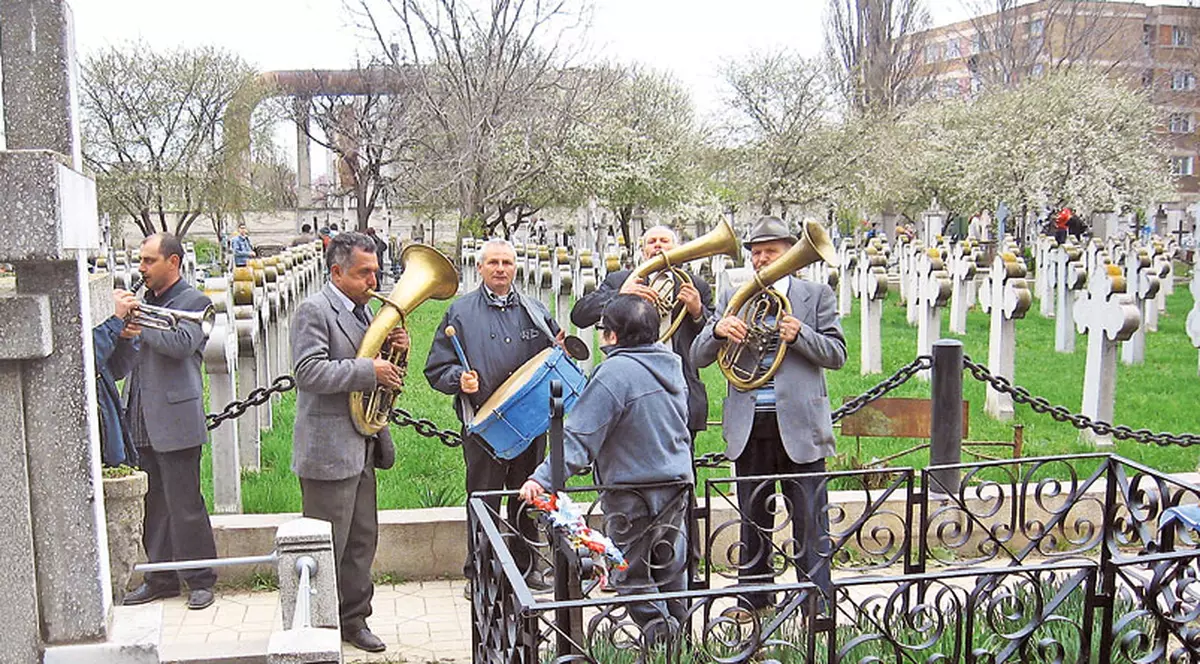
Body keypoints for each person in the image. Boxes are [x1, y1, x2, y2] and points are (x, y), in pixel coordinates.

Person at [691, 216, 847, 619]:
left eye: (771, 252)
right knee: (753, 520)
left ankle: (817, 603)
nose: (761, 260)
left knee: (810, 521)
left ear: (791, 256)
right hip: (750, 424)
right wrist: (718, 331)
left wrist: (801, 336)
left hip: (800, 426)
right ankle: (754, 601)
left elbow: (837, 354)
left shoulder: (815, 296)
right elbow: (698, 356)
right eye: (756, 253)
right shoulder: (735, 294)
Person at [520, 294, 693, 646]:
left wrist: (541, 478)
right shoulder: (670, 364)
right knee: (670, 570)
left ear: (612, 336)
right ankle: (683, 645)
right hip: (676, 483)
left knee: (629, 576)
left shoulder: (614, 372)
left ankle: (664, 643)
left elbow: (580, 437)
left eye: (603, 330)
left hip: (633, 492)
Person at [424, 238, 564, 598]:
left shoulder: (535, 309)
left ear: (514, 268)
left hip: (530, 425)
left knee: (527, 497)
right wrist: (459, 380)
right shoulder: (460, 313)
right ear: (480, 268)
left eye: (507, 263)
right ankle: (480, 571)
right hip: (484, 426)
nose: (501, 269)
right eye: (494, 263)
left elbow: (553, 357)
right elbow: (436, 367)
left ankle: (528, 566)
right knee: (483, 498)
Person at [290, 232, 406, 653]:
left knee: (361, 542)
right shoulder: (313, 310)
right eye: (363, 273)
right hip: (327, 450)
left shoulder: (364, 312)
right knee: (328, 548)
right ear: (336, 271)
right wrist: (367, 371)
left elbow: (378, 369)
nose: (373, 281)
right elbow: (308, 372)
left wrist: (395, 352)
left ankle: (354, 620)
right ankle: (318, 631)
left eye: (375, 271)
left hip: (363, 445)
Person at [110, 233, 218, 611]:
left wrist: (138, 318)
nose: (141, 269)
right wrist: (121, 334)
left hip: (176, 417)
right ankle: (160, 578)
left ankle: (201, 578)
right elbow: (122, 367)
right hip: (138, 416)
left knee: (185, 503)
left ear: (172, 262)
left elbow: (181, 345)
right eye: (140, 261)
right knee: (152, 505)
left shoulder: (195, 302)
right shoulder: (143, 306)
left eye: (148, 261)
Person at [94, 290, 141, 468]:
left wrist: (125, 339)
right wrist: (112, 323)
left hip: (109, 439)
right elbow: (80, 364)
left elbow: (116, 369)